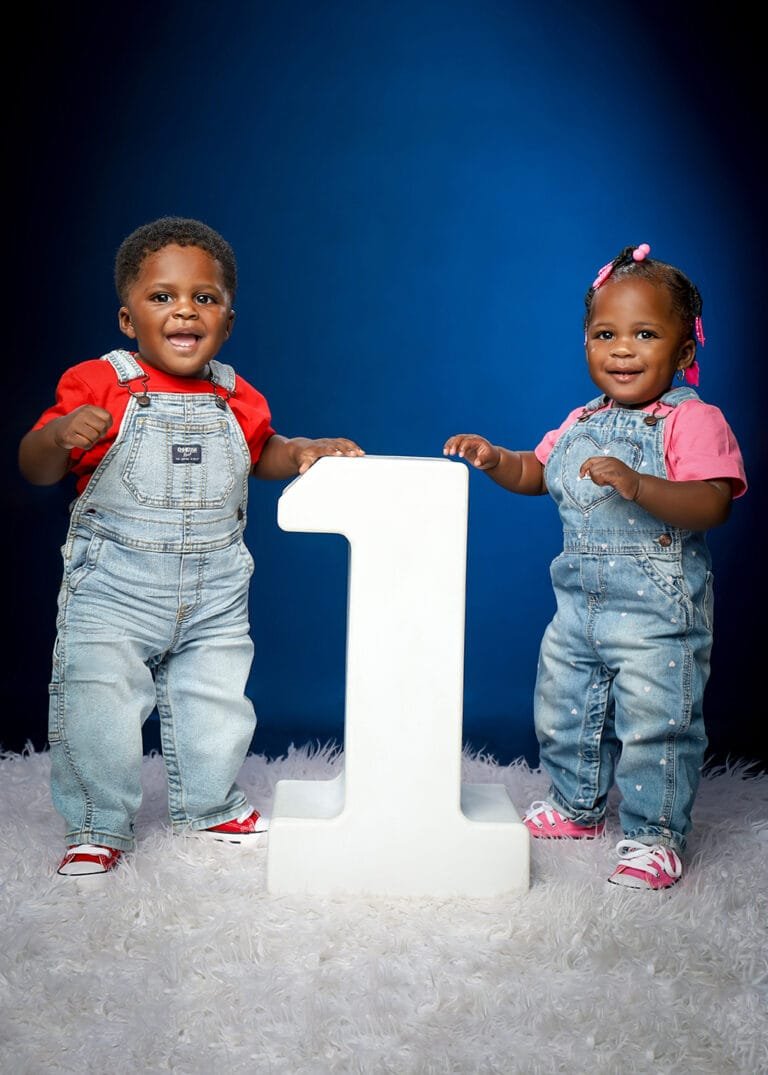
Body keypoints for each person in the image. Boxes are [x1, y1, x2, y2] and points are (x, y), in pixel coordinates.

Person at [18, 216, 365, 880]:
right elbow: (34, 466)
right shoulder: (98, 384)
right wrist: (58, 436)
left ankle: (209, 804)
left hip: (216, 588)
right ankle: (96, 823)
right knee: (98, 703)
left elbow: (262, 453)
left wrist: (302, 450)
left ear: (227, 322)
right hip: (113, 587)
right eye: (162, 297)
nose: (184, 309)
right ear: (129, 319)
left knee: (216, 701)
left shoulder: (237, 395)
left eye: (204, 297)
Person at [444, 243, 747, 891]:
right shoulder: (581, 420)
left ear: (683, 351)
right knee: (564, 706)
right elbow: (536, 471)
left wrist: (640, 484)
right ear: (585, 342)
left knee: (656, 722)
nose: (622, 350)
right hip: (578, 607)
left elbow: (713, 501)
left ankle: (654, 835)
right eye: (605, 334)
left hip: (658, 616)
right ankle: (576, 804)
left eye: (645, 334)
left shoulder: (693, 421)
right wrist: (496, 459)